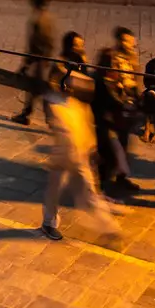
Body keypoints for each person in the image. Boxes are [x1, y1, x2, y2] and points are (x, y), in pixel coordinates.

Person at [39, 69, 121, 243]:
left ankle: (110, 229)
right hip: (62, 159)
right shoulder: (55, 105)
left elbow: (86, 130)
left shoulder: (79, 107)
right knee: (54, 192)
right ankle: (48, 223)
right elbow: (63, 132)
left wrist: (91, 150)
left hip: (80, 158)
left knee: (91, 194)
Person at [94, 28, 141, 193]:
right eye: (128, 41)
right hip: (109, 111)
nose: (131, 44)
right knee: (107, 149)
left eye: (132, 41)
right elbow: (106, 85)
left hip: (125, 111)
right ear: (120, 41)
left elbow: (135, 80)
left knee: (124, 144)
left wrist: (138, 100)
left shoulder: (131, 58)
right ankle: (103, 184)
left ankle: (121, 179)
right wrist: (119, 102)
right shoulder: (109, 57)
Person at [12, 0, 58, 125]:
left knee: (37, 88)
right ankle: (42, 116)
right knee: (39, 89)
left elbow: (34, 44)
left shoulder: (38, 20)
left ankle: (40, 116)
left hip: (39, 60)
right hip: (44, 60)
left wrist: (25, 64)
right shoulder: (48, 17)